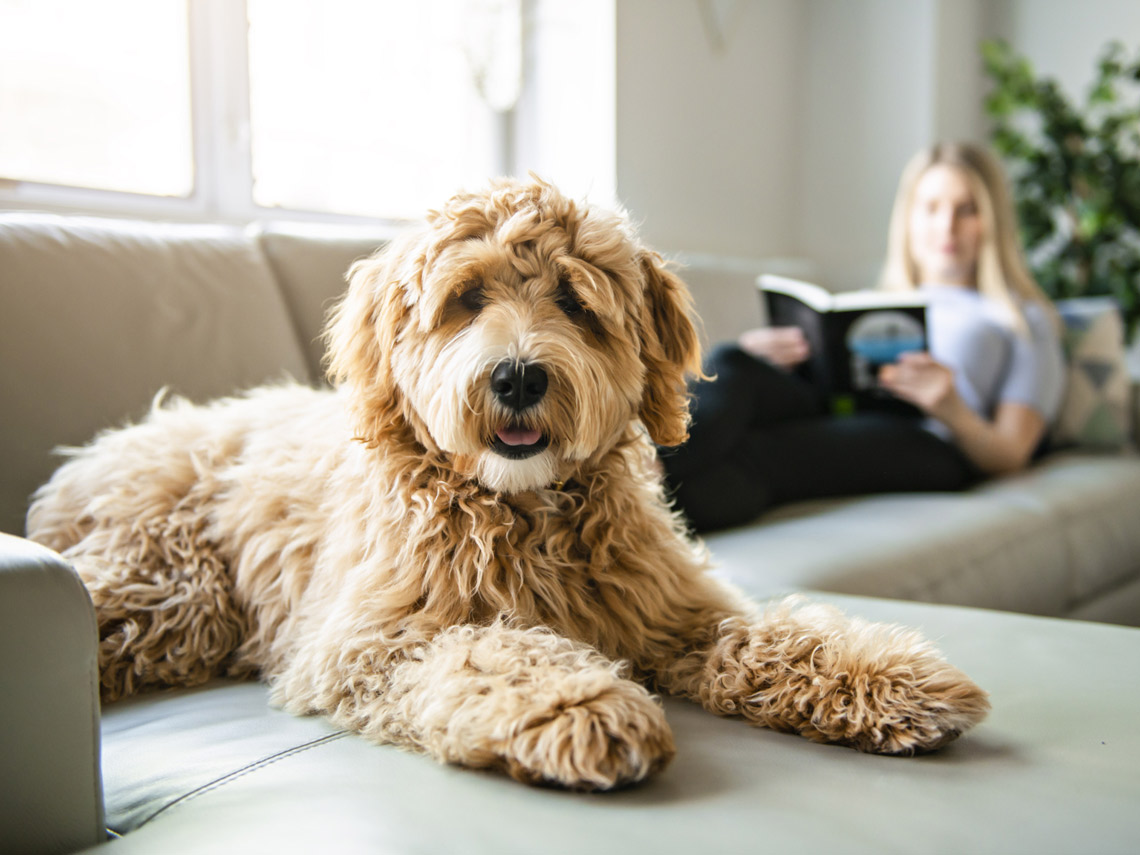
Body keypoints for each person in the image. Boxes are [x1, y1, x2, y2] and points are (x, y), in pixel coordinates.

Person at [662, 142, 1066, 533]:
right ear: (909, 219)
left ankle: (625, 499)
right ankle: (638, 471)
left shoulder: (1022, 318)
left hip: (929, 440)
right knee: (734, 362)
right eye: (931, 209)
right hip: (836, 408)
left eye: (967, 210)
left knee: (762, 454)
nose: (947, 226)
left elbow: (1012, 453)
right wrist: (775, 360)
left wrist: (952, 409)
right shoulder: (877, 301)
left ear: (992, 221)